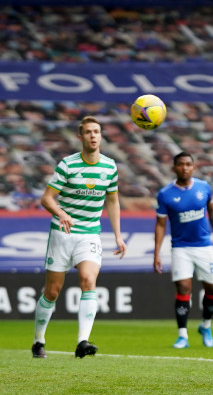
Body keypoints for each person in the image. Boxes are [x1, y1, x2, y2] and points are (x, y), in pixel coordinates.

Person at [32, 116, 127, 359]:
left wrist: (118, 235)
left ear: (101, 135)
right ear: (80, 136)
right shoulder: (67, 165)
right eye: (88, 132)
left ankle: (82, 342)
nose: (93, 136)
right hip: (62, 233)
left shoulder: (110, 167)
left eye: (97, 131)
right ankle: (39, 340)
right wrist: (62, 213)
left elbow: (113, 200)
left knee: (88, 279)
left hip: (90, 233)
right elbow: (47, 198)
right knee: (52, 291)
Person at [153, 152, 213, 349]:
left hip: (204, 245)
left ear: (194, 167)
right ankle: (182, 335)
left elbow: (212, 210)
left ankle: (205, 326)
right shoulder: (165, 194)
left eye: (188, 164)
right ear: (174, 168)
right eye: (181, 164)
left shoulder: (203, 188)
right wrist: (157, 252)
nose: (185, 168)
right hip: (181, 247)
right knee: (184, 288)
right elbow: (160, 224)